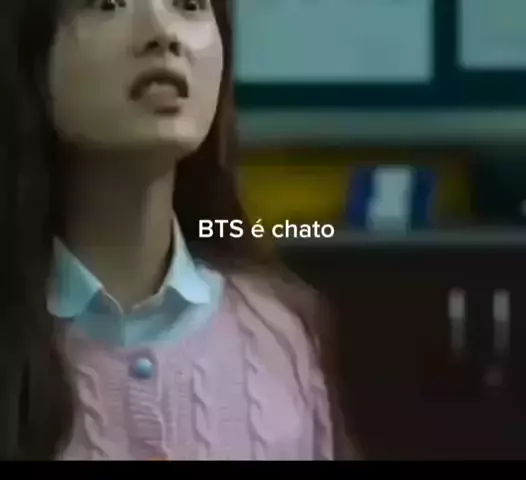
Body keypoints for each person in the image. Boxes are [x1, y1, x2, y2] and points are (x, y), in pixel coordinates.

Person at [0, 0, 353, 460]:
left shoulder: (279, 334)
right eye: (108, 4)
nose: (162, 33)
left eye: (189, 5)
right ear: (30, 56)